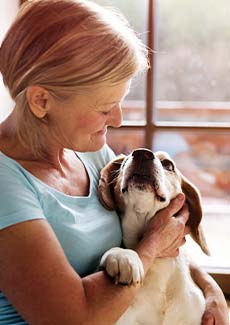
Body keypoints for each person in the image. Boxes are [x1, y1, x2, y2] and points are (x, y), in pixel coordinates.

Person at [0, 0, 228, 324]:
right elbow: (73, 318)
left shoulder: (89, 151)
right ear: (41, 101)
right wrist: (149, 247)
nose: (118, 120)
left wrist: (211, 291)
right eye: (105, 107)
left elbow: (162, 233)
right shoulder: (5, 183)